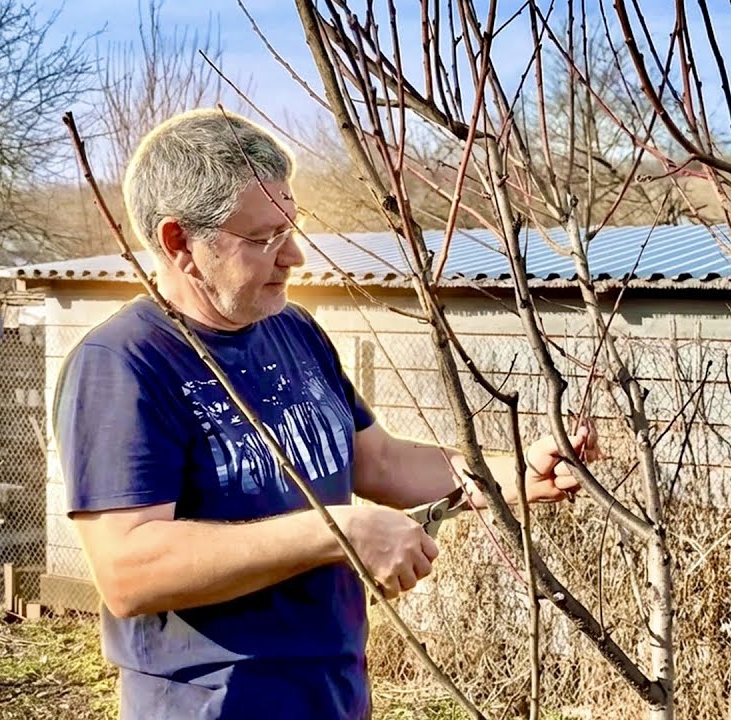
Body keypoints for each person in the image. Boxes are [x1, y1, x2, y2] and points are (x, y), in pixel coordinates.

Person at [54, 108, 595, 720]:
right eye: (263, 238)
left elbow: (379, 461)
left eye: (292, 227)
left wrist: (516, 471)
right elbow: (128, 571)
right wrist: (339, 532)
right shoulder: (124, 364)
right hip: (213, 707)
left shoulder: (293, 329)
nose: (296, 258)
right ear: (180, 243)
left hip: (332, 694)